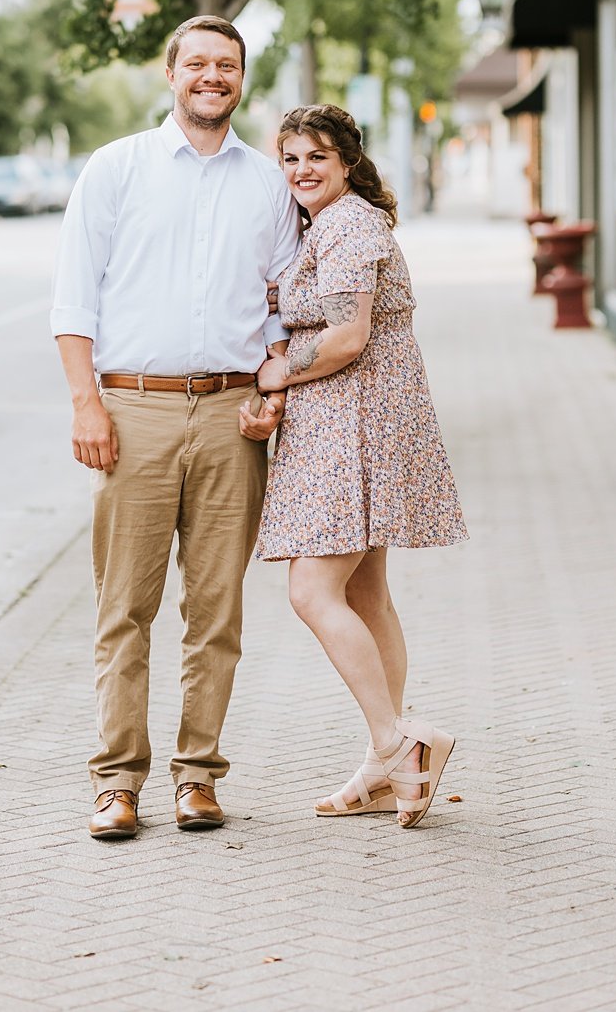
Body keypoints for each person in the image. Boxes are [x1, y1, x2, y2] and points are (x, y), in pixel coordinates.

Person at [51, 15, 300, 841]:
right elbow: (74, 298)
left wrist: (274, 389)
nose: (211, 76)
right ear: (170, 73)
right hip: (135, 409)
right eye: (196, 62)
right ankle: (117, 782)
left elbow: (281, 307)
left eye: (226, 65)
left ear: (240, 78)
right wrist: (88, 402)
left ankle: (199, 777)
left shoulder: (267, 183)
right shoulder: (116, 169)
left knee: (216, 610)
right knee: (125, 606)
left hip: (234, 417)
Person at [241, 103, 467, 829]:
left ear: (347, 163)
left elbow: (346, 335)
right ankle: (385, 764)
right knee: (367, 594)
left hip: (353, 419)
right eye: (290, 158)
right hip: (353, 415)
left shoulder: (348, 224)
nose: (302, 170)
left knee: (311, 589)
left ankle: (399, 743)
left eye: (317, 157)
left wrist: (276, 373)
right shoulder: (331, 223)